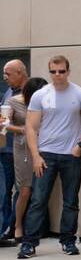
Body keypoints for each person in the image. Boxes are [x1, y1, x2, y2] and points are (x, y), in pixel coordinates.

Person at [18, 55, 81, 259]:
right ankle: (29, 244)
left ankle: (68, 241)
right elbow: (31, 127)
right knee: (38, 199)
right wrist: (36, 156)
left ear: (68, 71)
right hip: (46, 155)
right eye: (53, 71)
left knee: (71, 200)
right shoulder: (40, 95)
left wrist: (80, 145)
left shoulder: (80, 94)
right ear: (49, 72)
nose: (57, 75)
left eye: (61, 71)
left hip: (71, 155)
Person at [2, 76, 43, 248]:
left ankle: (34, 227)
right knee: (24, 190)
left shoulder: (46, 102)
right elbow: (4, 124)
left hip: (44, 146)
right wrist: (21, 129)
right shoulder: (13, 102)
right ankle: (17, 225)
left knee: (40, 191)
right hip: (22, 149)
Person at [0, 58, 29, 244]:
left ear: (20, 73)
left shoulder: (33, 91)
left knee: (22, 191)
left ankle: (13, 228)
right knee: (4, 191)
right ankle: (5, 230)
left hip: (22, 149)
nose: (5, 78)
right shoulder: (8, 92)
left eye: (8, 74)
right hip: (5, 149)